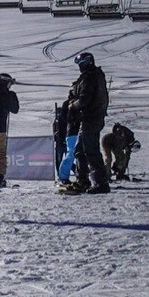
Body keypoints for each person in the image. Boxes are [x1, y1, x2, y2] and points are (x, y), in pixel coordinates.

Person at [61, 52, 110, 194]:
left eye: (81, 64)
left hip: (91, 118)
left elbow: (84, 99)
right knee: (79, 150)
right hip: (91, 118)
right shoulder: (95, 76)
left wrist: (72, 105)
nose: (80, 68)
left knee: (90, 150)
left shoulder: (90, 78)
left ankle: (101, 182)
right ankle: (82, 180)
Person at [54, 102, 77, 185]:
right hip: (62, 140)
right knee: (66, 158)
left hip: (65, 139)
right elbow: (56, 131)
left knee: (68, 157)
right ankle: (63, 176)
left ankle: (72, 171)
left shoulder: (65, 118)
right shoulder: (58, 121)